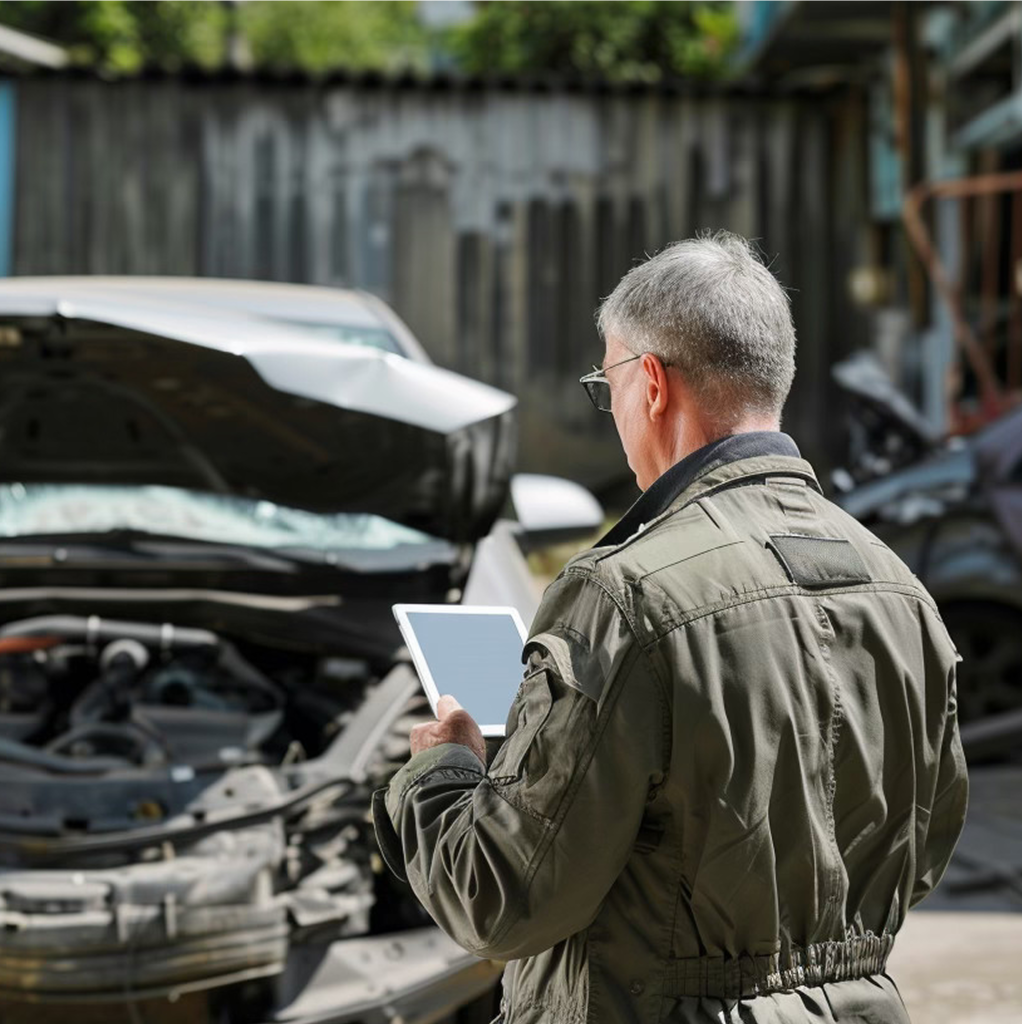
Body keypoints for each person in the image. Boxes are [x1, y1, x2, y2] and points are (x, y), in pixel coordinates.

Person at [373, 232, 968, 1024]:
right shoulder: (902, 590)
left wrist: (441, 772)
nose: (611, 408)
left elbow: (501, 899)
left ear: (650, 382)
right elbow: (920, 856)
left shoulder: (623, 596)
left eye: (604, 383)